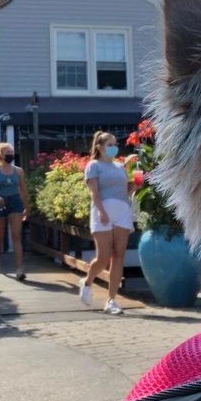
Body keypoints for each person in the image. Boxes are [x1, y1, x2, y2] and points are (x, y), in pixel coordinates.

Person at [79, 131, 134, 315]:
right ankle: (87, 282)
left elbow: (125, 191)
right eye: (110, 144)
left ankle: (111, 300)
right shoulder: (93, 165)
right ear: (100, 147)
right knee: (103, 258)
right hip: (103, 211)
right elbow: (94, 192)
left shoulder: (120, 167)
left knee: (118, 256)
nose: (114, 147)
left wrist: (135, 185)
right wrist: (101, 211)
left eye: (115, 144)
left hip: (122, 211)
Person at [0, 142, 29, 280]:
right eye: (7, 152)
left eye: (11, 152)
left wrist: (27, 207)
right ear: (1, 155)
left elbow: (23, 190)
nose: (10, 154)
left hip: (15, 202)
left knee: (16, 235)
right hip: (0, 202)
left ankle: (19, 268)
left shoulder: (18, 171)